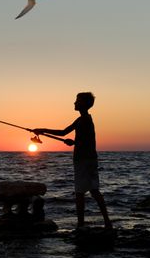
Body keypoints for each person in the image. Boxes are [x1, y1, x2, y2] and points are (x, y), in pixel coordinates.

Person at [34, 92, 112, 229]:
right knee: (94, 190)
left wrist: (74, 142)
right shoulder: (82, 119)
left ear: (84, 104)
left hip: (83, 160)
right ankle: (106, 222)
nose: (74, 103)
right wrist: (43, 130)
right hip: (90, 159)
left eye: (77, 101)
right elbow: (64, 132)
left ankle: (81, 224)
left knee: (80, 192)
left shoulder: (85, 120)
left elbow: (86, 141)